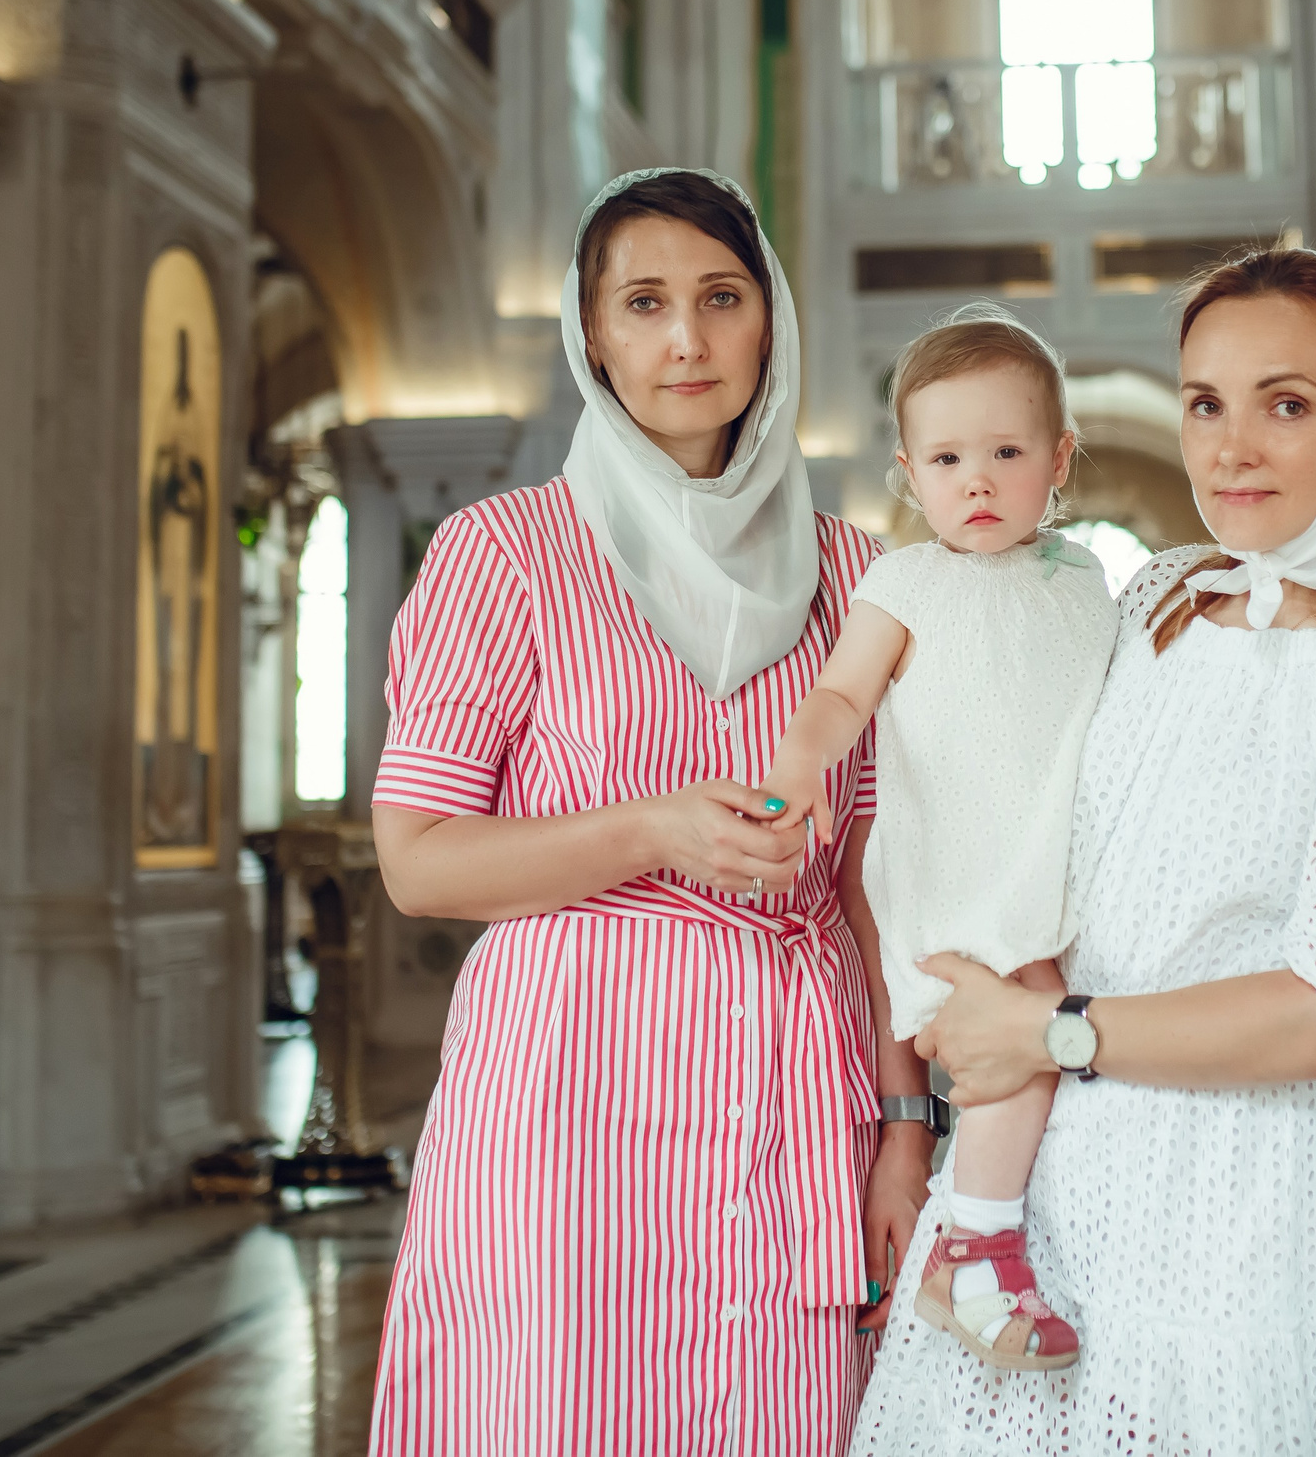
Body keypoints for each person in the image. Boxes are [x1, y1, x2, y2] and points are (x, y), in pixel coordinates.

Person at [851, 247, 1316, 1454]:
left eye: (1285, 404)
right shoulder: (1159, 593)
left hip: (1236, 1205)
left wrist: (1047, 1031)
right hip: (1031, 1189)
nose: (1230, 447)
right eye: (1205, 403)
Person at [365, 168, 932, 1455]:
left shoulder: (860, 578)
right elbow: (418, 861)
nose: (686, 339)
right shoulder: (504, 554)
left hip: (796, 1097)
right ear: (593, 333)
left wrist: (905, 1130)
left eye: (722, 298)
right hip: (567, 1099)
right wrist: (650, 830)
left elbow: (872, 886)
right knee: (560, 1412)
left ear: (770, 321)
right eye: (644, 303)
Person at [762, 309, 1120, 1373]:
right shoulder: (905, 583)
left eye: (1006, 452)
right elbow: (840, 694)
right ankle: (973, 1248)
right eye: (948, 459)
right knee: (1028, 1018)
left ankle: (1021, 1242)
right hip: (962, 874)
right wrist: (799, 764)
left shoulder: (1082, 580)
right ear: (909, 473)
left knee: (1071, 1038)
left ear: (1058, 460)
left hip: (1053, 863)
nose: (978, 481)